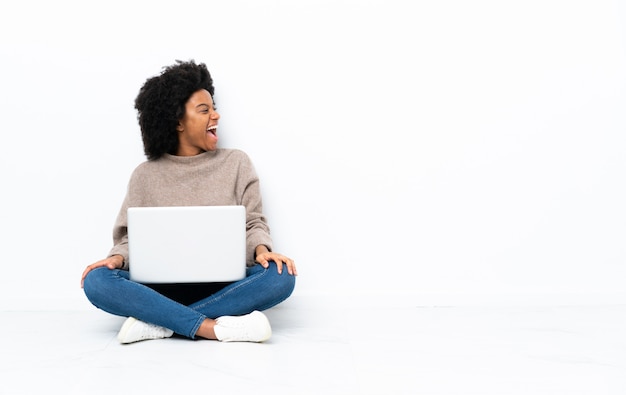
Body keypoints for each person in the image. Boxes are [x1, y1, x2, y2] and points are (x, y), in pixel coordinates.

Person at [81, 60, 297, 344]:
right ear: (178, 121)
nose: (216, 116)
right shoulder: (145, 175)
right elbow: (130, 238)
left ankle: (161, 322)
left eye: (214, 108)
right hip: (160, 288)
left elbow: (253, 221)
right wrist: (115, 260)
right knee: (96, 281)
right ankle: (211, 327)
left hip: (224, 285)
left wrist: (261, 250)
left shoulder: (236, 163)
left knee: (281, 276)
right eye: (204, 110)